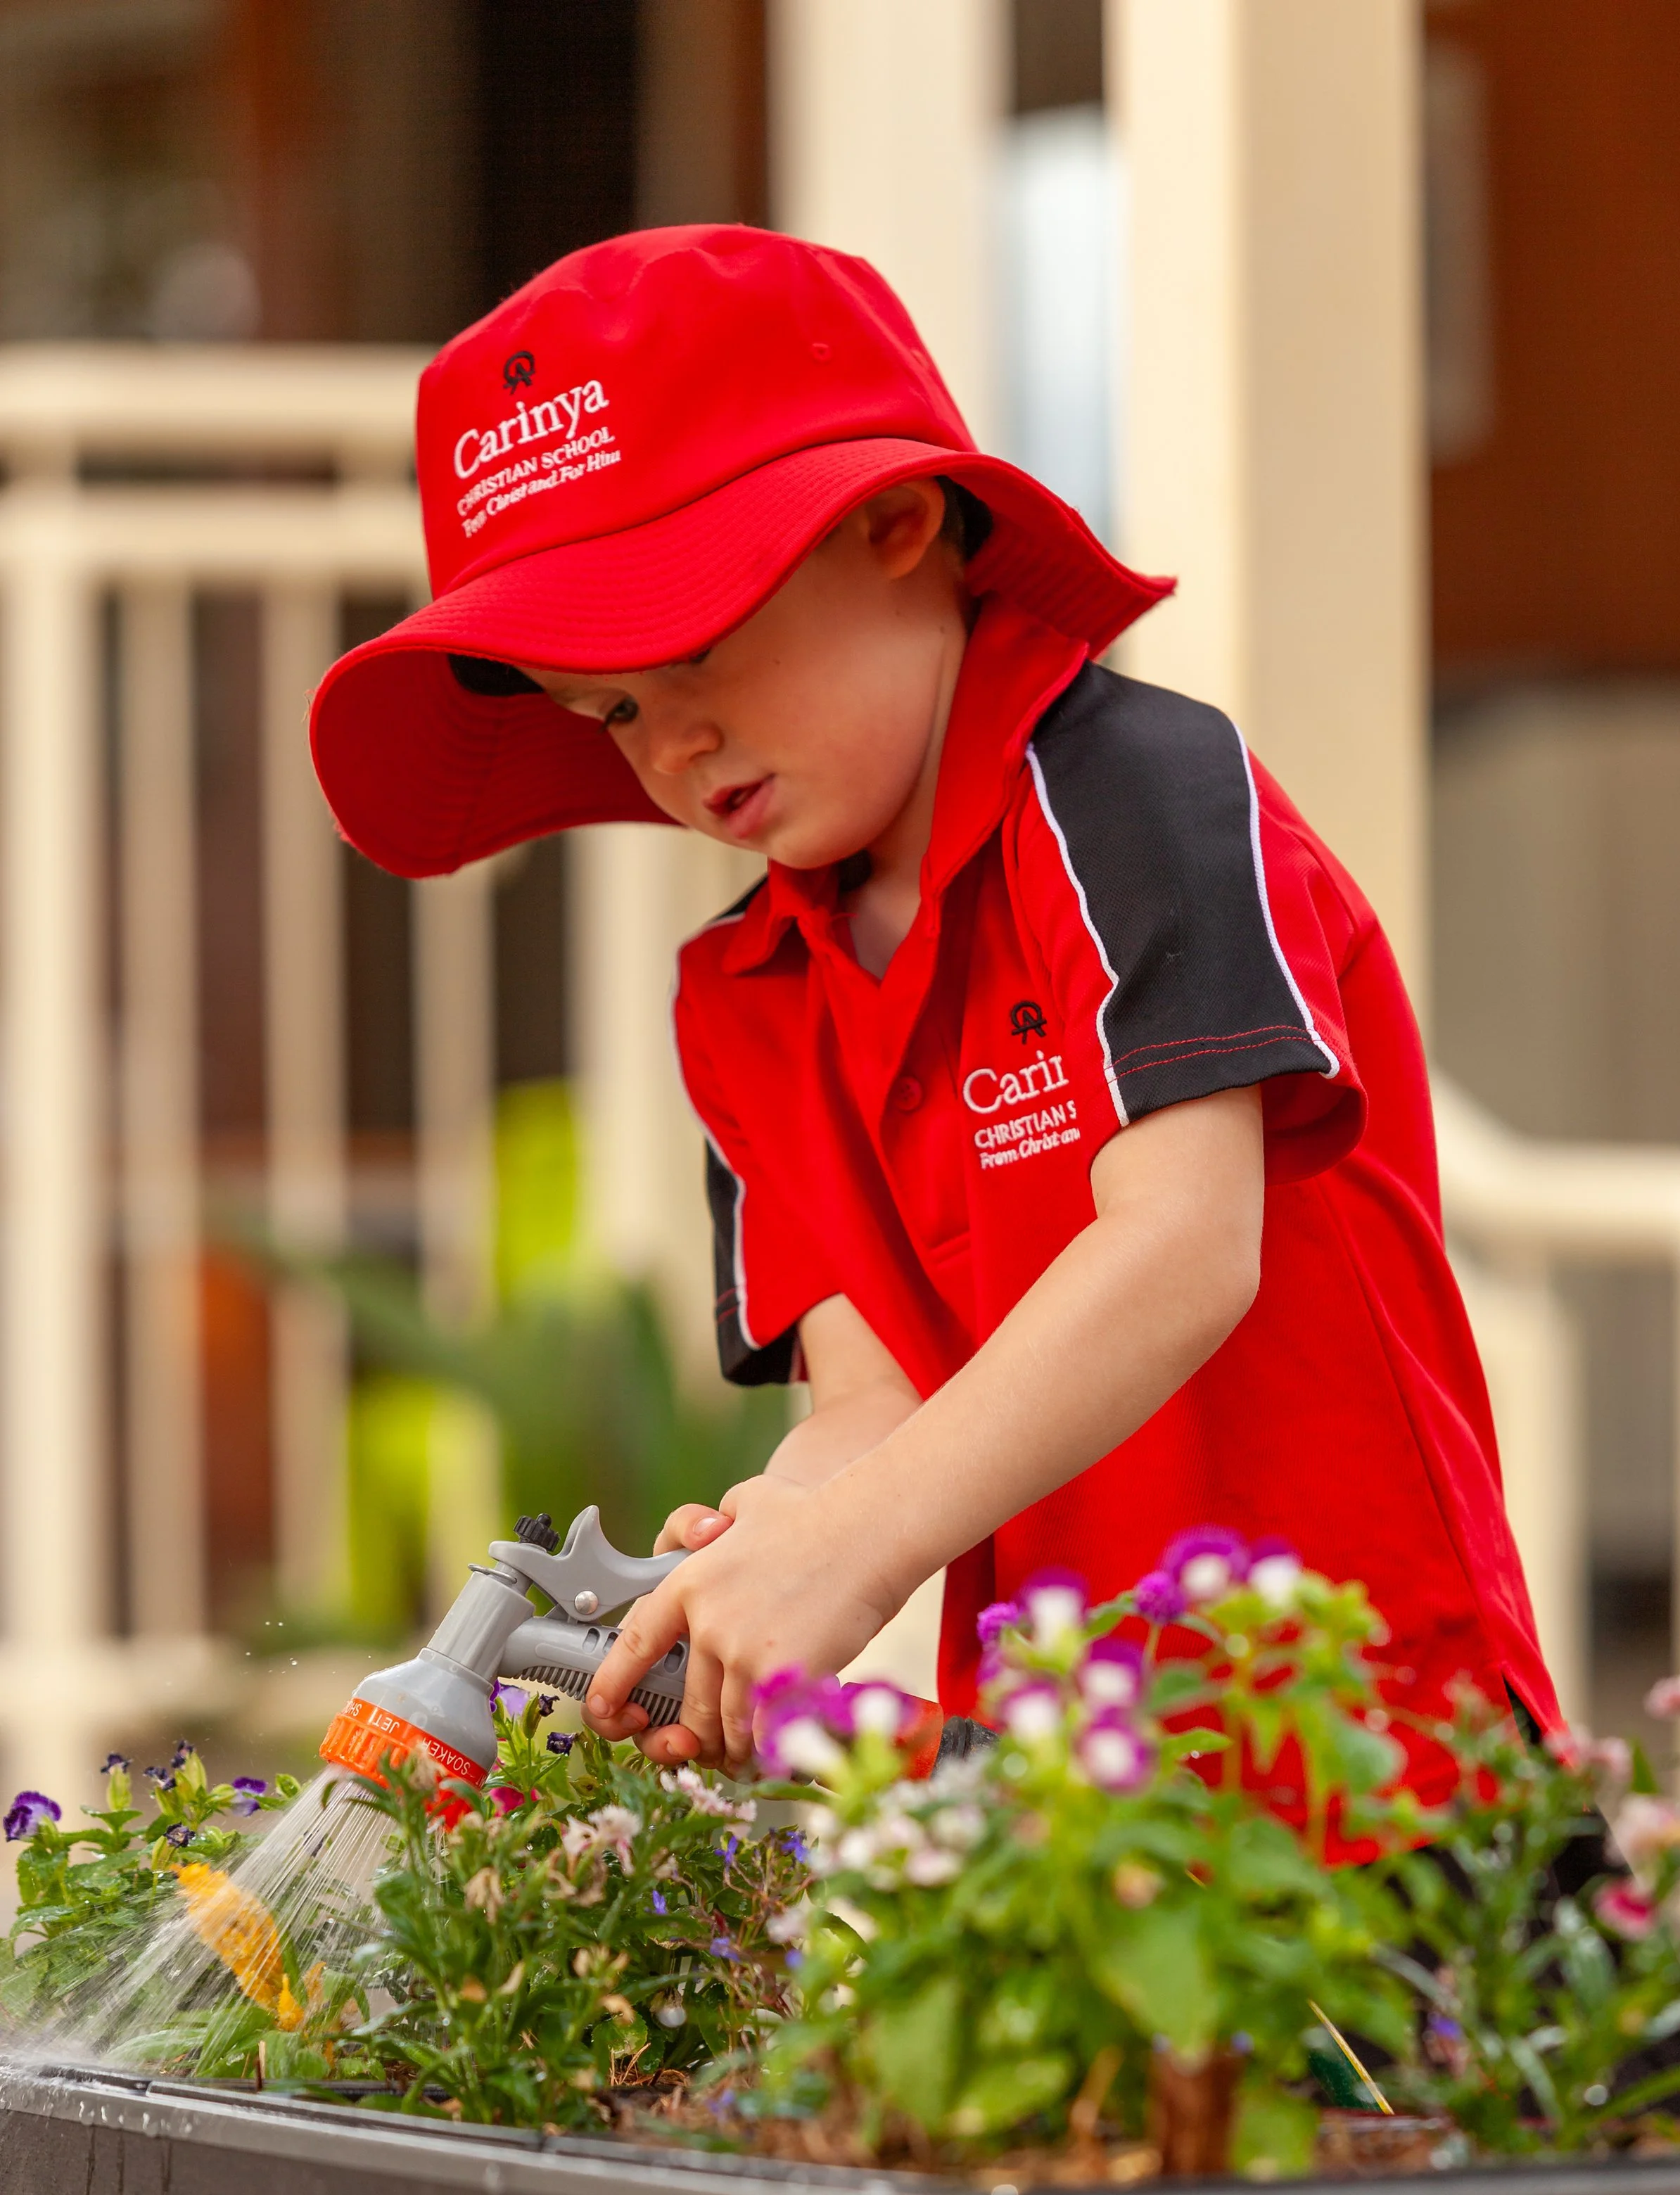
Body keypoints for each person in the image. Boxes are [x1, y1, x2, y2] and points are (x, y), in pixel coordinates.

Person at [310, 223, 1558, 1817]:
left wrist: (860, 1539)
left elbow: (1185, 1243)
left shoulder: (1125, 797)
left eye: (689, 638)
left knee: (1435, 2078)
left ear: (896, 522)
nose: (669, 739)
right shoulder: (743, 997)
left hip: (1367, 1734)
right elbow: (877, 1401)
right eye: (610, 707)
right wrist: (772, 1549)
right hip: (1053, 1784)